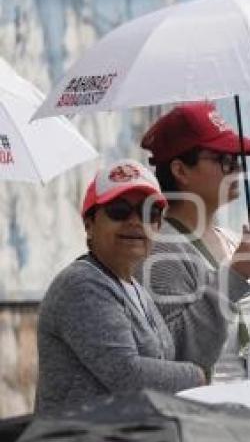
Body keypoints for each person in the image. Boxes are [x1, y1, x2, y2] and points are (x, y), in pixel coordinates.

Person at [36, 160, 205, 415]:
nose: (135, 222)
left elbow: (163, 361)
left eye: (149, 214)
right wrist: (198, 375)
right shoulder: (81, 284)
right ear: (89, 225)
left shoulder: (134, 287)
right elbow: (127, 375)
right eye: (119, 210)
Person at [137, 102, 250, 382]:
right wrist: (233, 277)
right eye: (224, 159)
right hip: (206, 415)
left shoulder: (233, 241)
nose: (236, 168)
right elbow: (176, 354)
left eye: (238, 158)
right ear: (181, 171)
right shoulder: (160, 249)